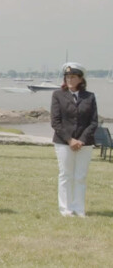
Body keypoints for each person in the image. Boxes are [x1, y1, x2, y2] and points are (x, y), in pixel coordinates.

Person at [51, 62, 98, 217]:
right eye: (67, 77)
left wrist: (81, 140)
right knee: (66, 175)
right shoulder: (58, 95)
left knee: (80, 176)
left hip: (85, 143)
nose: (69, 80)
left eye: (73, 77)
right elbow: (56, 121)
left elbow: (93, 122)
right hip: (64, 142)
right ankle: (65, 210)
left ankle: (78, 208)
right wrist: (70, 140)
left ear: (80, 79)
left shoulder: (89, 97)